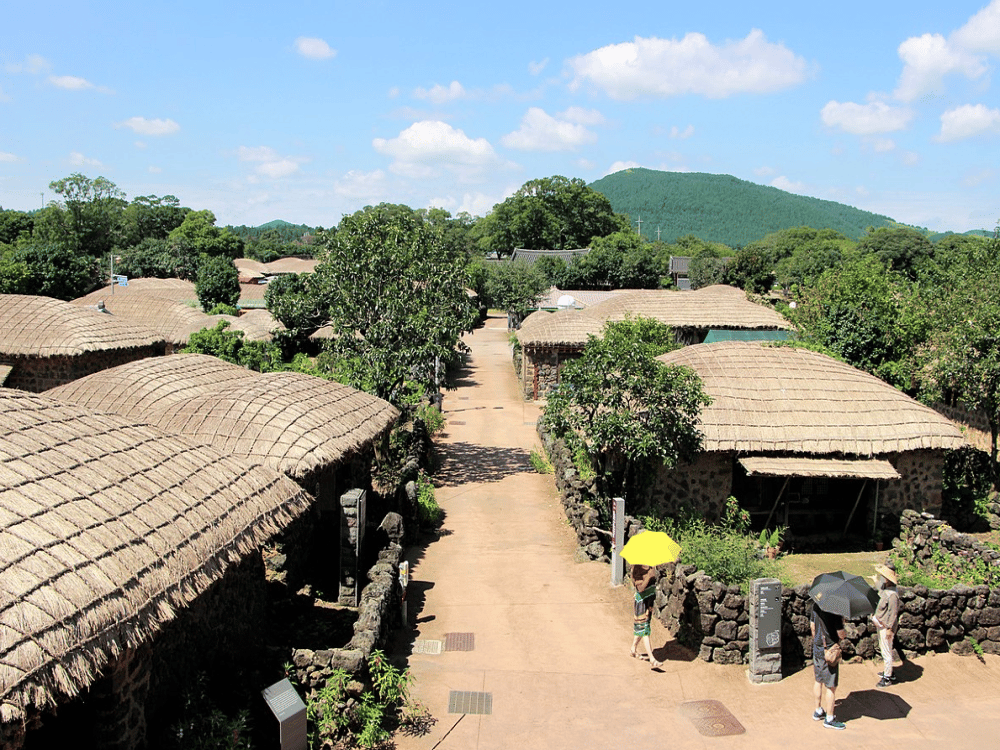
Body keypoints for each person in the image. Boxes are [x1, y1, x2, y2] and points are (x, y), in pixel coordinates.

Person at [811, 602, 847, 729]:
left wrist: (817, 643)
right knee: (831, 685)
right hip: (830, 650)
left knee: (818, 680)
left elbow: (813, 627)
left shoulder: (815, 604)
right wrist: (844, 626)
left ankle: (818, 710)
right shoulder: (835, 610)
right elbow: (841, 634)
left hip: (818, 648)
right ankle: (830, 718)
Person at [872, 562, 900, 688]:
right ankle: (889, 672)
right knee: (885, 650)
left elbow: (893, 613)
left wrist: (889, 628)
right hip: (881, 624)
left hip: (886, 627)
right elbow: (880, 589)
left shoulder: (893, 595)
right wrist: (875, 580)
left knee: (886, 652)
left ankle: (887, 677)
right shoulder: (886, 588)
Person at [629, 563, 663, 668]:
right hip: (641, 603)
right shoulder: (636, 569)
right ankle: (652, 659)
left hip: (649, 602)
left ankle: (633, 649)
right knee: (644, 630)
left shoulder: (651, 566)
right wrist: (649, 576)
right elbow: (640, 588)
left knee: (642, 627)